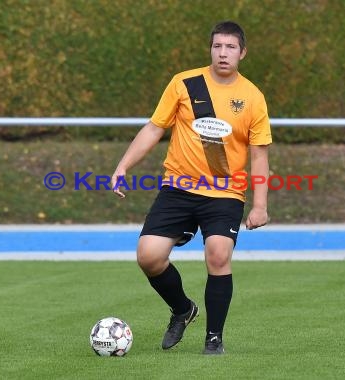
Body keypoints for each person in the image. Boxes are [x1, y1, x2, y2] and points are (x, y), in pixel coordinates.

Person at [111, 20, 272, 355]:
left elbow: (258, 156)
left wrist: (259, 205)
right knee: (149, 257)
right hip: (179, 189)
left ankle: (214, 338)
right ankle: (183, 310)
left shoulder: (253, 98)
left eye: (230, 47)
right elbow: (155, 129)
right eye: (217, 46)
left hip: (225, 193)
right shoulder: (184, 83)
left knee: (218, 254)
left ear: (242, 52)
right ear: (210, 49)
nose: (223, 53)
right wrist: (124, 165)